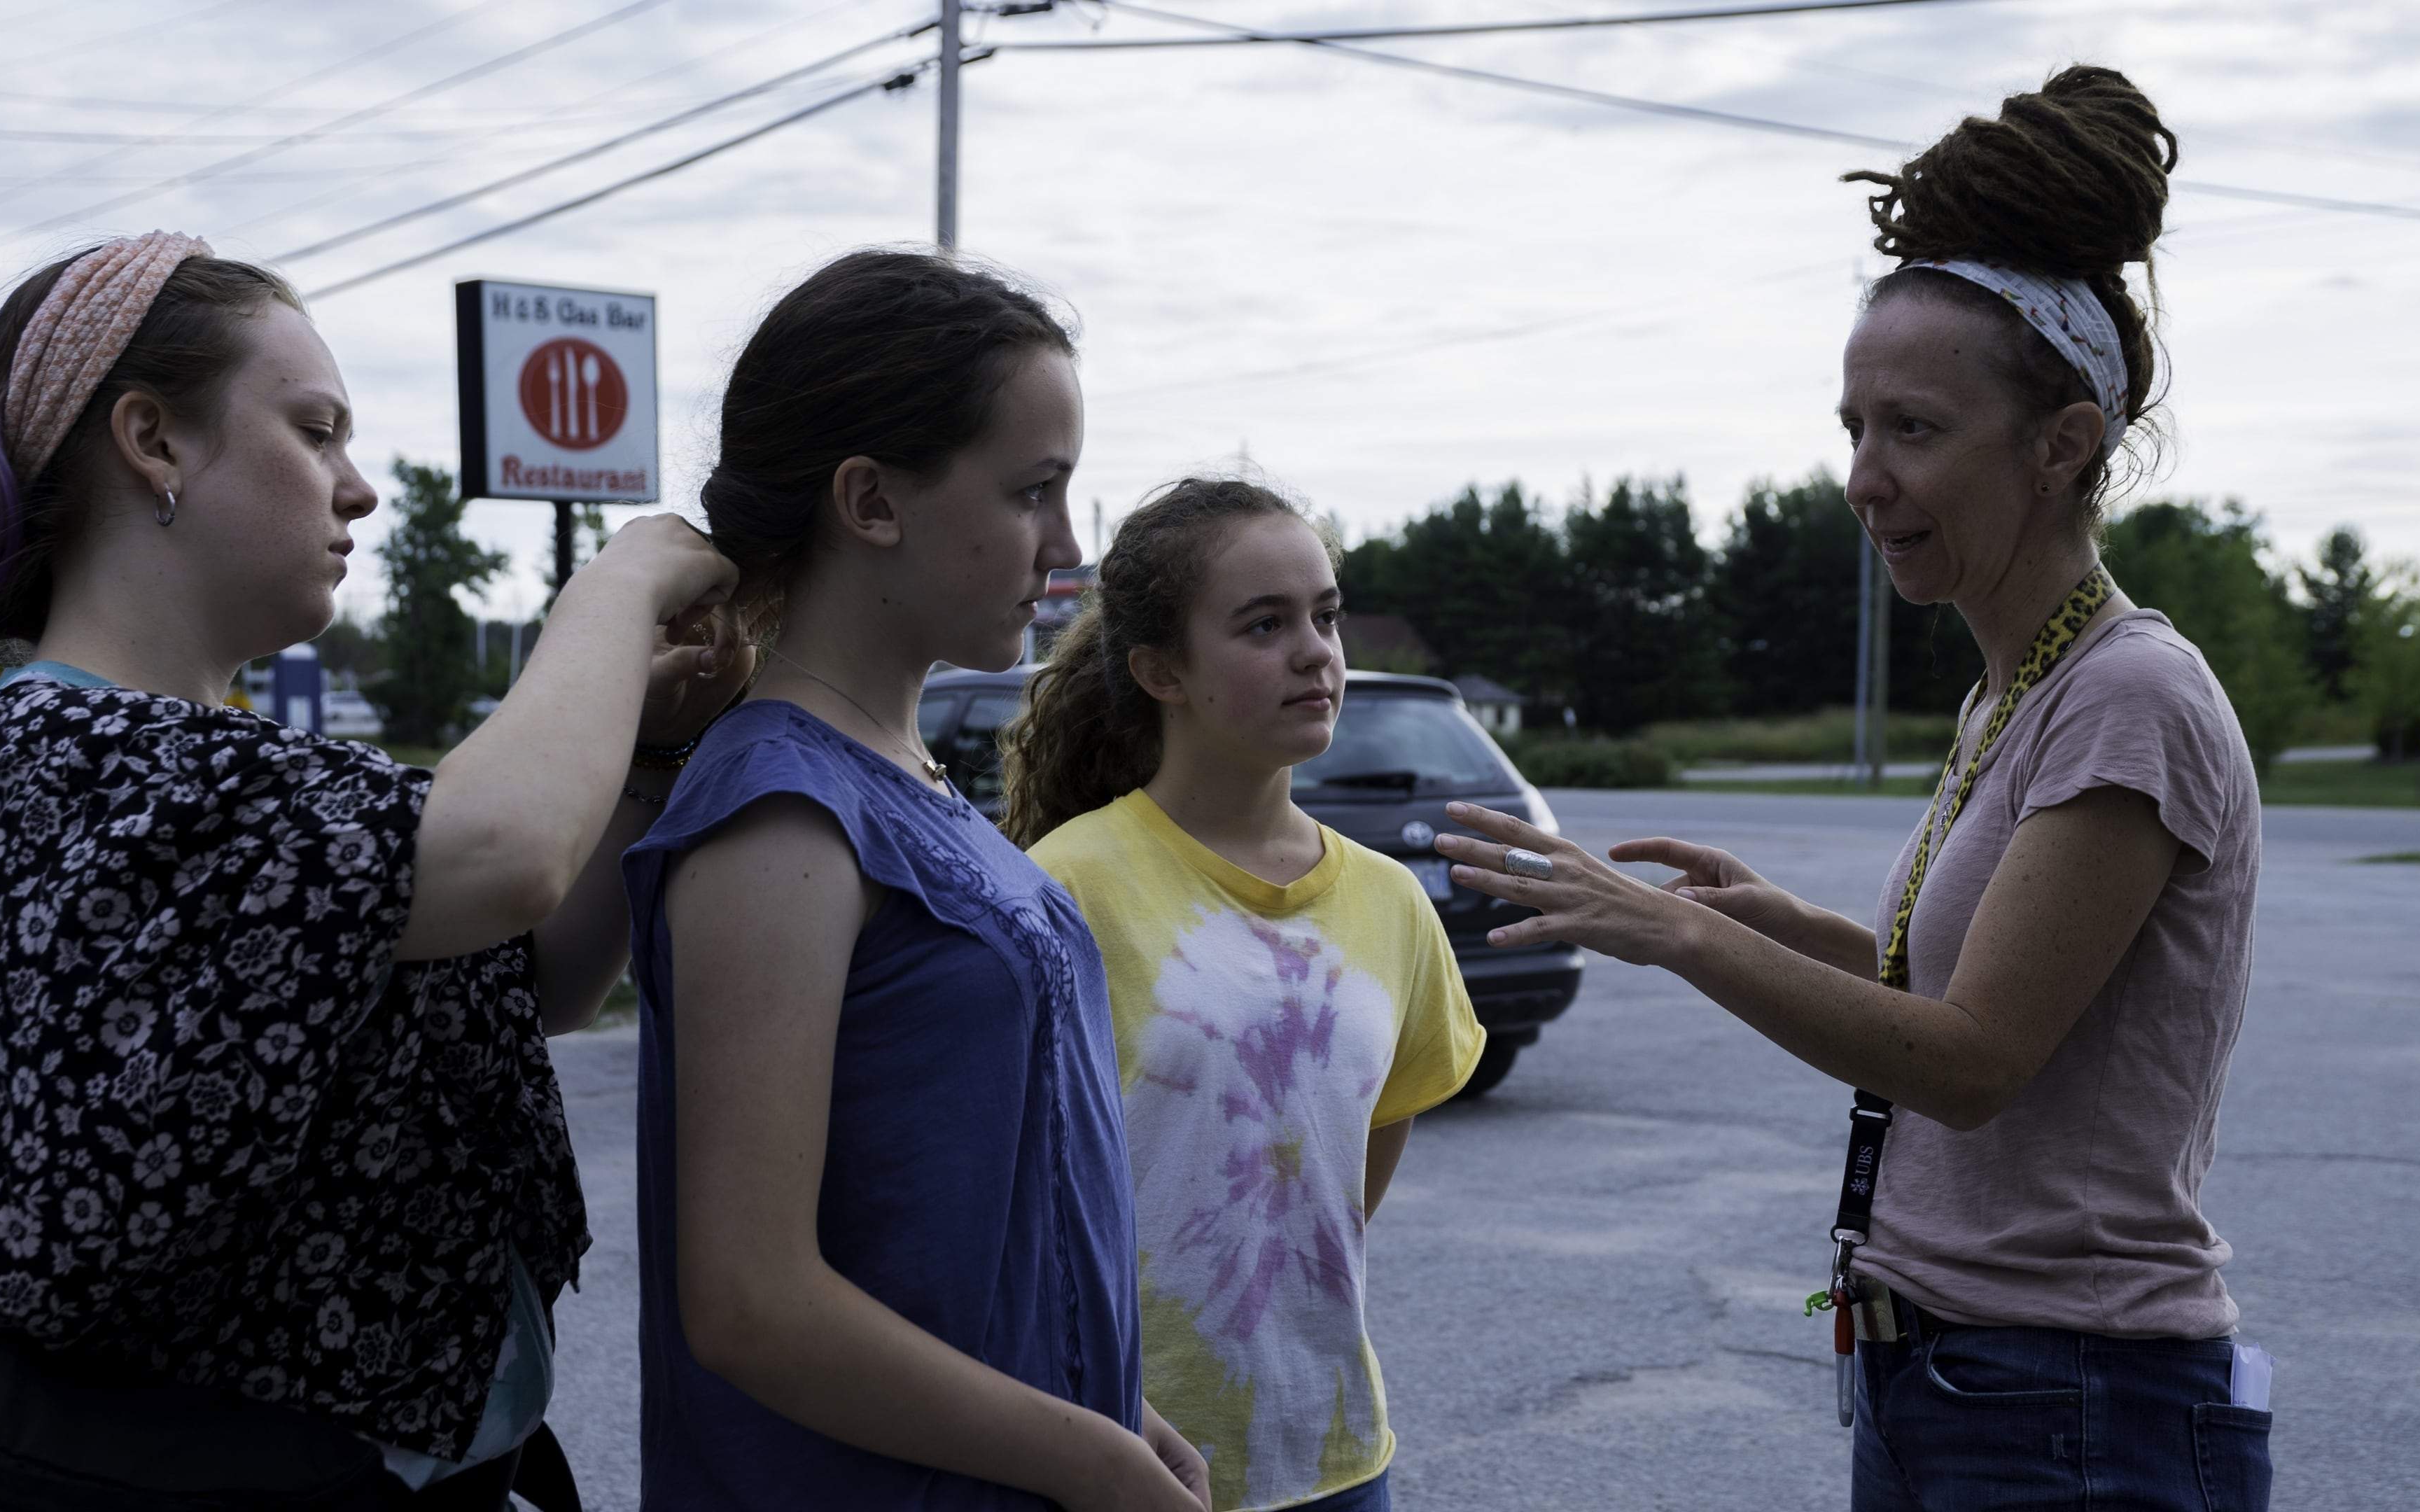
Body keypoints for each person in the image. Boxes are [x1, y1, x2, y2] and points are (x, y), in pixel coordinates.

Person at [1434, 67, 2273, 1511]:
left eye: (1914, 429)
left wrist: (1683, 939)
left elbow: (1968, 1062)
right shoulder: (2019, 689)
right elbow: (1966, 992)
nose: (1863, 478)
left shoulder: (2129, 696)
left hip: (2072, 1403)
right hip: (1956, 1378)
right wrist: (1767, 923)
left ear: (2062, 443)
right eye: (1853, 427)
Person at [0, 232, 745, 1510]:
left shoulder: (217, 768)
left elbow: (534, 970)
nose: (359, 487)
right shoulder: (64, 755)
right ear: (154, 442)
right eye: (316, 430)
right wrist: (617, 585)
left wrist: (652, 745)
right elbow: (502, 858)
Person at [620, 249, 1205, 1511]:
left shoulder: (903, 775)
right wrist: (1091, 1459)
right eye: (1034, 492)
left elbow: (962, 1224)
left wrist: (1116, 1406)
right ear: (870, 501)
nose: (1066, 545)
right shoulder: (780, 815)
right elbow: (751, 1304)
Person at [1005, 478, 1486, 1512]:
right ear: (1160, 670)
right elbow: (1010, 1192)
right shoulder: (1067, 885)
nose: (1316, 651)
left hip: (1340, 1457)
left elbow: (1365, 1143)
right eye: (1264, 625)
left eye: (1326, 614)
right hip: (1123, 1455)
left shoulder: (1392, 902)